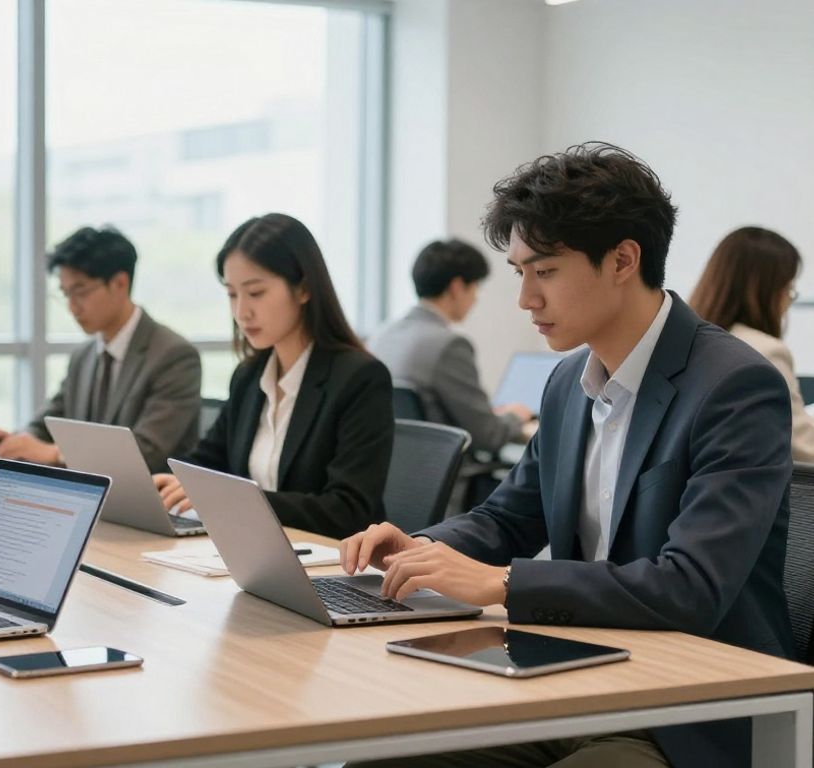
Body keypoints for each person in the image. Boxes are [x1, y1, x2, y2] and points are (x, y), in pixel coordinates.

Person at [342, 144, 793, 768]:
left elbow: (691, 587)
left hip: (685, 708)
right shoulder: (567, 383)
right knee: (383, 760)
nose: (525, 299)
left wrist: (502, 582)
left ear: (623, 259)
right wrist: (419, 549)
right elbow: (506, 519)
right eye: (518, 272)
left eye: (545, 271)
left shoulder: (734, 385)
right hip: (572, 676)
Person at [152, 213, 394, 540]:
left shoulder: (359, 378)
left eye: (255, 292)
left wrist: (234, 500)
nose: (241, 312)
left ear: (304, 289)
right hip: (253, 551)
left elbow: (348, 511)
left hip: (330, 565)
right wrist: (171, 480)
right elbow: (208, 460)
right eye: (232, 294)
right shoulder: (249, 375)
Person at [0, 226, 201, 472]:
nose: (72, 308)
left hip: (143, 504)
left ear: (119, 284)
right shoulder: (83, 356)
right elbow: (48, 422)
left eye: (80, 292)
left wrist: (54, 453)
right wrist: (16, 442)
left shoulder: (174, 356)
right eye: (65, 294)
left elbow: (147, 452)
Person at [368, 238, 534, 453]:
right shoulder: (449, 344)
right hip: (448, 479)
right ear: (457, 287)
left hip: (399, 473)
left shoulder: (382, 335)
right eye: (475, 288)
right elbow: (488, 434)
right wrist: (516, 415)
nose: (475, 299)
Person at [690, 226, 814, 462]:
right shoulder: (764, 350)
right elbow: (802, 446)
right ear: (765, 290)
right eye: (788, 289)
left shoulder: (689, 341)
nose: (788, 300)